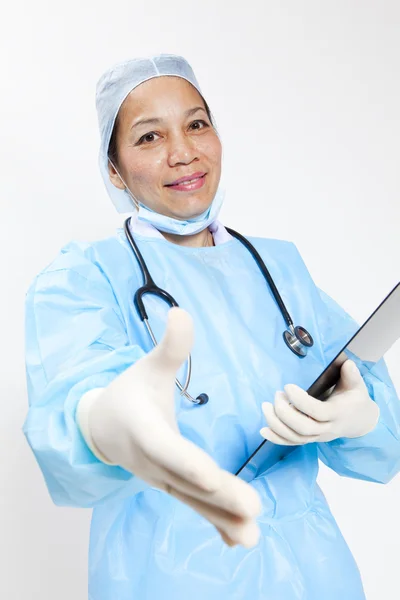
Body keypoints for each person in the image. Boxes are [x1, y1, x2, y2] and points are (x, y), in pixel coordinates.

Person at [24, 54, 400, 600]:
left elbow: (381, 447)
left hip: (317, 573)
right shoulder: (84, 277)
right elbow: (69, 421)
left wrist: (363, 420)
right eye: (149, 137)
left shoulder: (280, 269)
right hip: (172, 576)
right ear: (114, 169)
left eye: (197, 124)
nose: (183, 153)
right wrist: (103, 423)